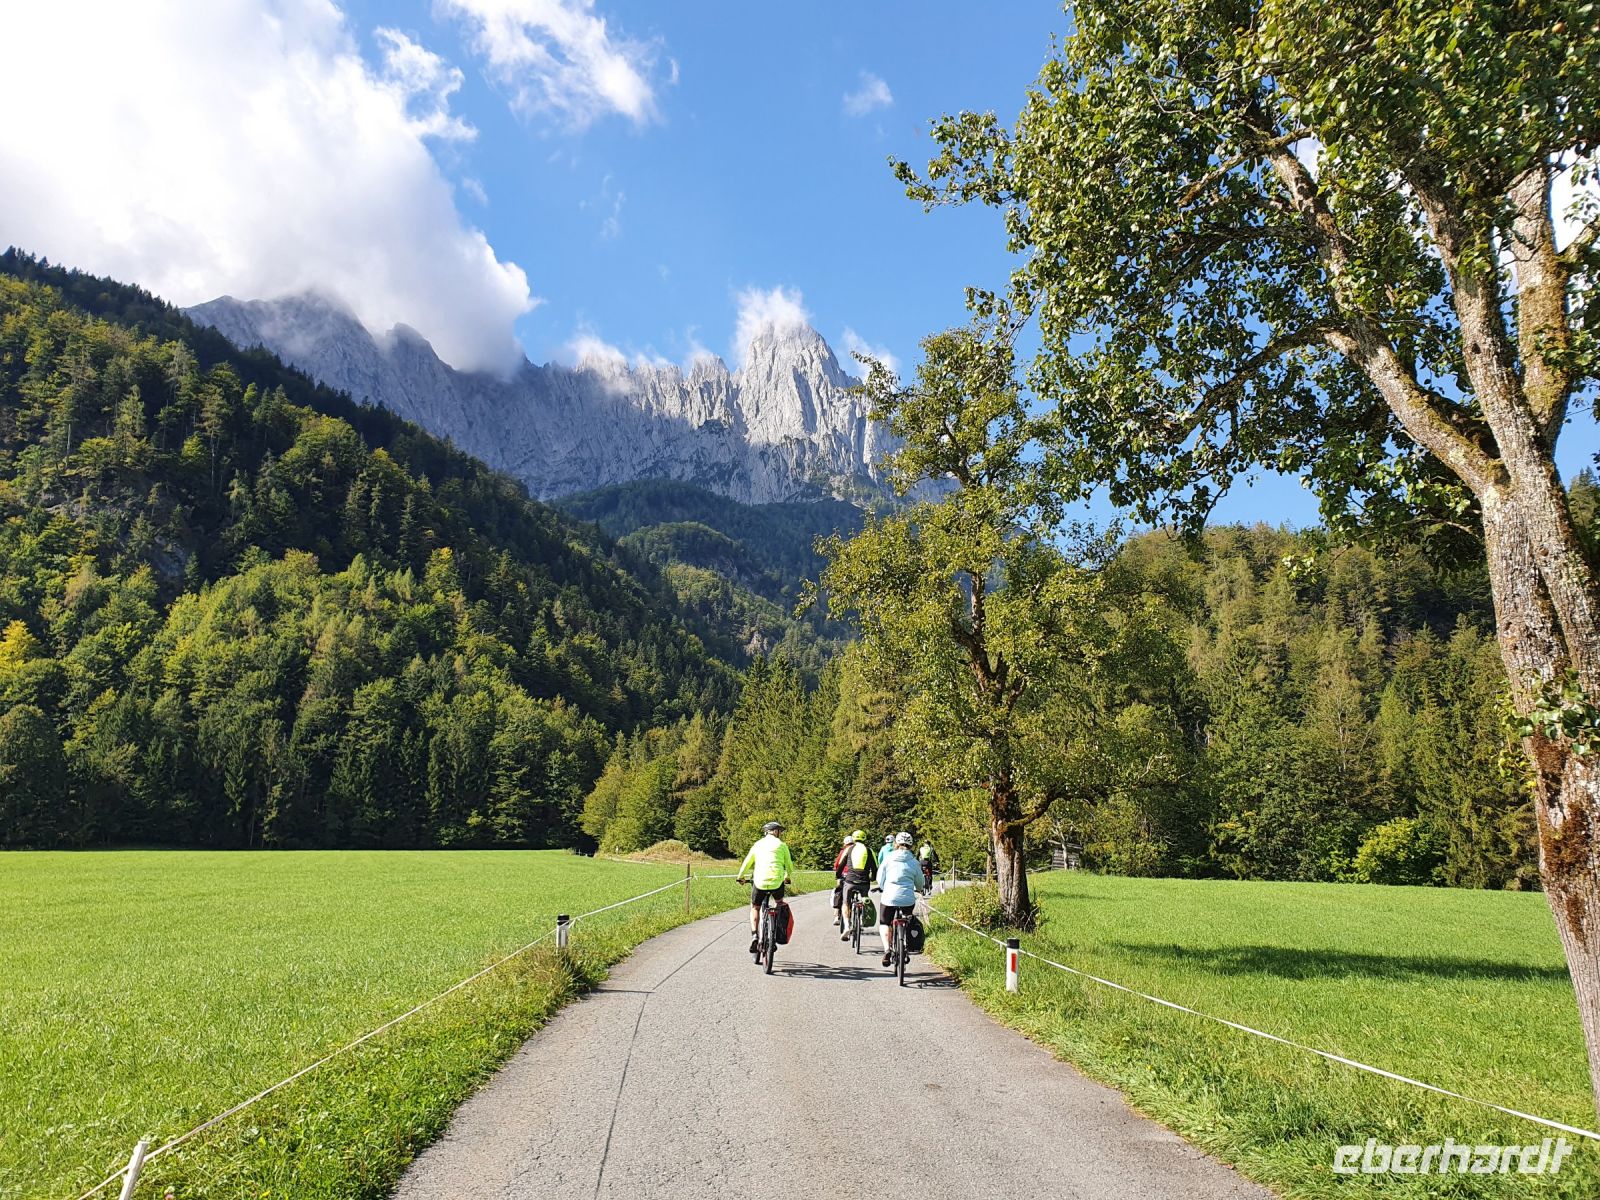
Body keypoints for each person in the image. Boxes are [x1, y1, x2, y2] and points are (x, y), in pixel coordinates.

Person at [736, 820, 795, 954]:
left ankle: (755, 936)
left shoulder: (758, 845)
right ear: (775, 832)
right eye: (779, 831)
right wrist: (787, 877)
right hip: (776, 882)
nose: (780, 834)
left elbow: (747, 862)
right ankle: (775, 934)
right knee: (779, 903)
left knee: (755, 907)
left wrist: (740, 876)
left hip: (760, 882)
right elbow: (789, 865)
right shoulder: (782, 845)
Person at [874, 831, 927, 966]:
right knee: (908, 919)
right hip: (908, 900)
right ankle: (905, 944)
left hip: (889, 898)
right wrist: (919, 889)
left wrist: (882, 886)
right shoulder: (914, 862)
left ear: (895, 844)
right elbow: (920, 882)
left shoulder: (888, 859)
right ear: (911, 846)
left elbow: (880, 880)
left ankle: (887, 949)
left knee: (884, 923)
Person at [832, 828, 877, 941]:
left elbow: (841, 864)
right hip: (864, 882)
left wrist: (838, 875)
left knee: (845, 903)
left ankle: (847, 925)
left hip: (850, 881)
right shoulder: (869, 850)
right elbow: (875, 868)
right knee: (864, 899)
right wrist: (873, 878)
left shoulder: (849, 849)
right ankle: (862, 918)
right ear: (864, 838)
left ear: (853, 839)